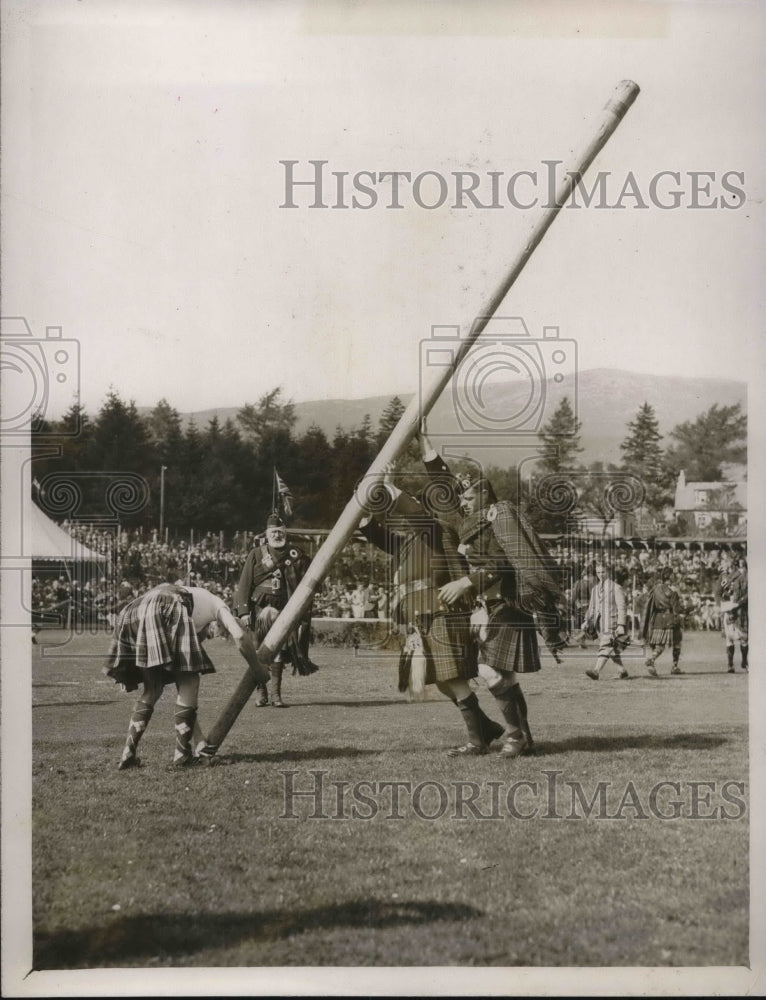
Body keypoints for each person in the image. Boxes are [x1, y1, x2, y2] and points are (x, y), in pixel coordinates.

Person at [421, 438, 566, 757]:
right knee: (502, 675)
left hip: (509, 603)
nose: (464, 502)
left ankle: (515, 735)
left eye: (469, 496)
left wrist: (466, 582)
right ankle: (517, 738)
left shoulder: (499, 515)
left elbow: (504, 562)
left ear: (484, 493)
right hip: (488, 607)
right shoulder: (472, 523)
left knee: (492, 672)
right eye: (462, 497)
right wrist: (427, 449)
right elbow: (445, 488)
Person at [357, 465, 505, 754]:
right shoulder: (406, 542)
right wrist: (369, 505)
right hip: (422, 617)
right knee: (442, 681)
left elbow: (413, 512)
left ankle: (477, 742)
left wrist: (388, 485)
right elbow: (371, 530)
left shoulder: (436, 529)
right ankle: (486, 728)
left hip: (442, 611)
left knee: (453, 678)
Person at [105, 581, 267, 769]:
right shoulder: (216, 604)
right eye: (205, 636)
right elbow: (239, 636)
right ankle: (182, 756)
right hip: (167, 601)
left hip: (134, 609)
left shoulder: (190, 605)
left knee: (154, 689)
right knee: (190, 680)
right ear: (210, 626)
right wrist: (258, 669)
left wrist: (200, 743)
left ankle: (128, 753)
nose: (202, 639)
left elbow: (186, 705)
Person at [232, 512, 317, 707]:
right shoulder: (256, 554)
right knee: (259, 652)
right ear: (267, 534)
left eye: (280, 532)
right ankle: (261, 693)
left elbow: (309, 577)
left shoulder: (296, 555)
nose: (277, 535)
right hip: (258, 610)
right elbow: (244, 584)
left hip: (284, 611)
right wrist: (244, 612)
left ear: (284, 532)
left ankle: (276, 695)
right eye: (273, 532)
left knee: (278, 650)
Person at [582, 561, 630, 681]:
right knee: (611, 647)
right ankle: (622, 670)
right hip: (599, 623)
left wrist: (621, 624)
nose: (600, 574)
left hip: (612, 622)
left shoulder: (616, 587)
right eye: (598, 572)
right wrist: (586, 620)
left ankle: (596, 671)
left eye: (603, 572)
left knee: (605, 645)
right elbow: (592, 607)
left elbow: (621, 607)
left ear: (608, 572)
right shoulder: (595, 589)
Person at [641, 567, 683, 676]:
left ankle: (652, 659)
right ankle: (674, 666)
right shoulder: (673, 590)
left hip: (657, 619)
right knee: (677, 642)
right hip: (670, 619)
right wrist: (688, 609)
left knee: (659, 644)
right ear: (669, 576)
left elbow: (649, 605)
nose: (674, 576)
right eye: (673, 574)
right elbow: (676, 609)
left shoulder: (655, 589)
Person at [719, 556, 748, 672]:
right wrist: (725, 603)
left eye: (743, 567)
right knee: (729, 637)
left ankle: (744, 661)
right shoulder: (727, 578)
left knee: (744, 637)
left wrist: (739, 603)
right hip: (729, 609)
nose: (741, 569)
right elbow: (720, 592)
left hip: (742, 610)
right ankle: (730, 664)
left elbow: (748, 594)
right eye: (739, 566)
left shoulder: (748, 579)